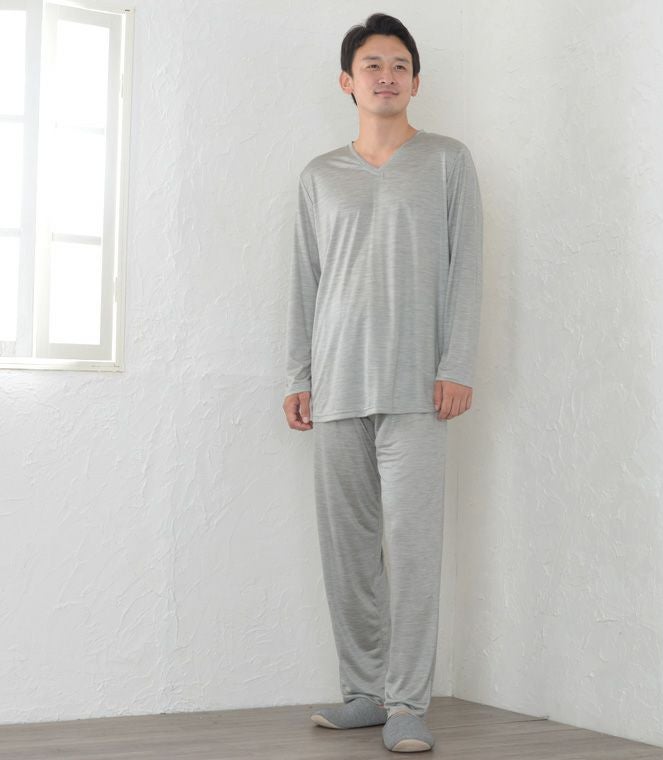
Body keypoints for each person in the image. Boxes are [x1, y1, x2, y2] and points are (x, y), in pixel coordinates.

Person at [282, 12, 483, 754]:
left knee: (413, 548)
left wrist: (456, 365)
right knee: (348, 549)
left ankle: (406, 703)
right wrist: (299, 374)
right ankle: (364, 694)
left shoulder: (448, 161)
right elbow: (305, 280)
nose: (387, 75)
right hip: (336, 389)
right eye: (373, 65)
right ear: (348, 81)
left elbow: (467, 267)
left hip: (415, 392)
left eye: (400, 64)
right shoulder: (318, 176)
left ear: (416, 81)